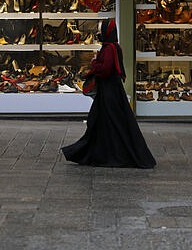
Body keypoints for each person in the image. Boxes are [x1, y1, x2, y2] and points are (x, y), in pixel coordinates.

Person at [62, 19, 156, 169]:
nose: (98, 33)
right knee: (113, 122)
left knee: (108, 121)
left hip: (108, 91)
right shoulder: (114, 47)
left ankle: (106, 153)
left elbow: (105, 70)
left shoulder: (109, 49)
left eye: (100, 30)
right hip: (111, 90)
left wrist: (94, 63)